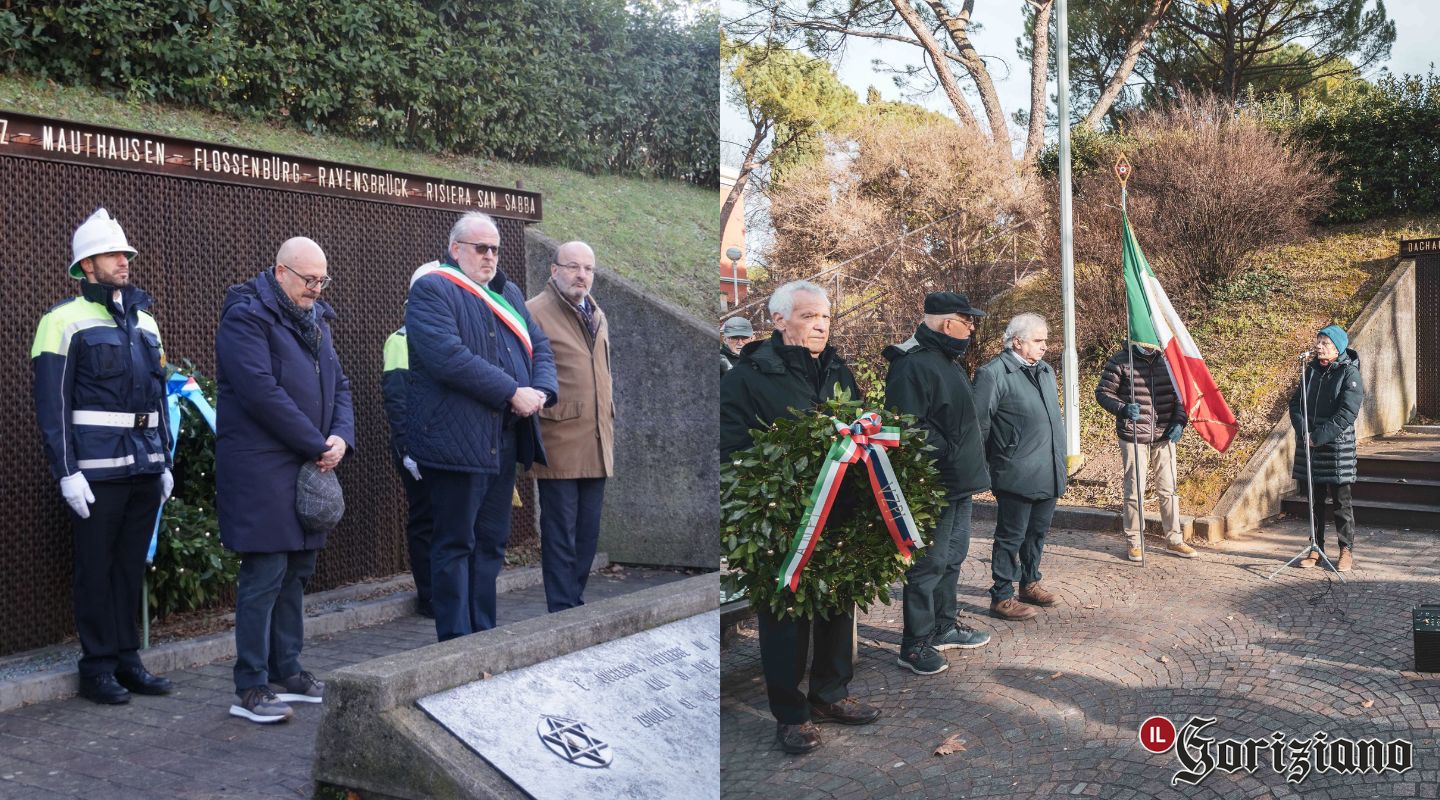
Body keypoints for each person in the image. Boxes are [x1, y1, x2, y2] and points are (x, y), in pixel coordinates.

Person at [720, 280, 880, 756]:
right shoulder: (748, 375)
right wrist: (778, 483)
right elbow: (731, 447)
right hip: (783, 521)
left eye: (826, 317)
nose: (821, 325)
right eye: (811, 316)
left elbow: (862, 426)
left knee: (836, 605)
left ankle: (831, 694)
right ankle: (791, 715)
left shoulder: (836, 368)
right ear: (779, 320)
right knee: (786, 616)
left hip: (839, 512)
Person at [31, 208, 175, 705]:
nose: (124, 261)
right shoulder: (61, 322)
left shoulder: (146, 323)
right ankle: (96, 668)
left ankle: (127, 660)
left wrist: (165, 462)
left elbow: (157, 397)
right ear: (86, 264)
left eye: (126, 253)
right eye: (114, 254)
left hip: (143, 467)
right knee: (95, 569)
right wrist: (67, 472)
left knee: (129, 568)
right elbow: (54, 407)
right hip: (95, 473)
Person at [216, 236, 354, 724]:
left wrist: (340, 437)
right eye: (308, 280)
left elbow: (340, 384)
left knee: (297, 571)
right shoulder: (246, 317)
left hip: (307, 463)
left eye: (322, 280)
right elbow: (261, 393)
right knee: (264, 573)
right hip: (261, 467)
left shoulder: (318, 321)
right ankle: (250, 685)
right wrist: (316, 442)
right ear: (280, 273)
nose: (316, 289)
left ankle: (287, 670)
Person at [406, 212, 557, 642]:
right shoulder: (432, 289)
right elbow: (448, 358)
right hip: (456, 442)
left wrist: (542, 390)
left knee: (491, 543)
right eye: (480, 248)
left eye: (494, 248)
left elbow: (539, 345)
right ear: (456, 250)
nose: (490, 256)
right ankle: (455, 644)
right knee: (455, 544)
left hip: (503, 440)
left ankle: (484, 638)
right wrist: (513, 391)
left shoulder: (507, 292)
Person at [882, 291, 993, 674]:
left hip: (958, 482)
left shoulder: (946, 360)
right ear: (948, 324)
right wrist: (947, 450)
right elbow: (905, 427)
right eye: (968, 320)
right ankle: (914, 644)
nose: (973, 327)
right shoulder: (910, 365)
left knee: (953, 557)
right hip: (935, 483)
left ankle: (944, 626)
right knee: (929, 564)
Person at [526, 241, 614, 612]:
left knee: (587, 535)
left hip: (597, 439)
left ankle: (573, 601)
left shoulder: (596, 312)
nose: (582, 275)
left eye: (588, 269)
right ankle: (562, 610)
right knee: (561, 535)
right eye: (574, 267)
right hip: (559, 440)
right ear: (554, 270)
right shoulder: (534, 312)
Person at [973, 313, 1068, 620]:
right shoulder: (993, 374)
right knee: (1010, 535)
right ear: (1017, 342)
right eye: (1038, 340)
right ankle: (1001, 596)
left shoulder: (1044, 371)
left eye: (1045, 339)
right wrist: (986, 467)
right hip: (1015, 471)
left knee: (1037, 532)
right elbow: (980, 425)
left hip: (1047, 468)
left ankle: (1030, 582)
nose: (1045, 346)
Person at [1095, 341, 1198, 561]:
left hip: (1164, 434)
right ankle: (1135, 541)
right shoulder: (1121, 360)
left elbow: (1183, 395)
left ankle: (1174, 540)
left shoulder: (1168, 359)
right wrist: (1122, 408)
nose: (1150, 343)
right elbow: (1103, 393)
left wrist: (1180, 421)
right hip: (1133, 435)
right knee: (1135, 491)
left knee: (1168, 490)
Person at [1289, 324, 1363, 572]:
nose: (1319, 347)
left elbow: (1347, 413)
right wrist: (1304, 432)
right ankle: (1315, 548)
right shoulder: (1309, 371)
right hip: (1310, 445)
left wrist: (1318, 436)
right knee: (1314, 502)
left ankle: (1346, 550)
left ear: (1338, 348)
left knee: (1342, 503)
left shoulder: (1349, 373)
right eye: (1318, 341)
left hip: (1336, 447)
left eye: (1325, 343)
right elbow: (1296, 404)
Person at [382, 321, 433, 618]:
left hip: (443, 447)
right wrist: (406, 450)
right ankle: (429, 597)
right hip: (416, 449)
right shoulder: (400, 340)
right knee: (426, 520)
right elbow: (396, 398)